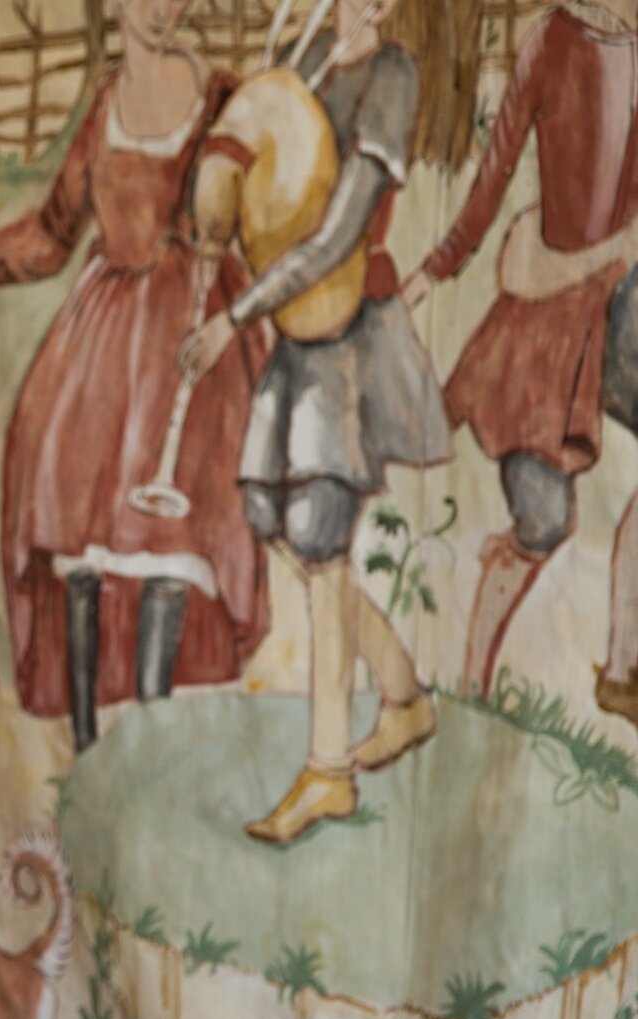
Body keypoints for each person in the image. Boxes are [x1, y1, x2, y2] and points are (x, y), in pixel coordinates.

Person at [0, 0, 267, 752]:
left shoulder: (223, 98)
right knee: (73, 510)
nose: (161, 9)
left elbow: (264, 209)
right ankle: (87, 748)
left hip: (188, 338)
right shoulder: (105, 102)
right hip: (103, 339)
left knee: (168, 539)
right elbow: (54, 231)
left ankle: (147, 745)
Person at [181, 0, 473, 844]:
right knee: (279, 522)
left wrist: (236, 316)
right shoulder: (304, 61)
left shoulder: (392, 75)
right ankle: (406, 698)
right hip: (298, 326)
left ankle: (327, 771)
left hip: (349, 331)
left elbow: (343, 226)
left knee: (320, 532)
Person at [399, 0, 638, 719]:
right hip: (549, 318)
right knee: (542, 519)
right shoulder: (554, 41)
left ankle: (625, 666)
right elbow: (496, 170)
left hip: (624, 297)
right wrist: (436, 270)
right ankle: (468, 689)